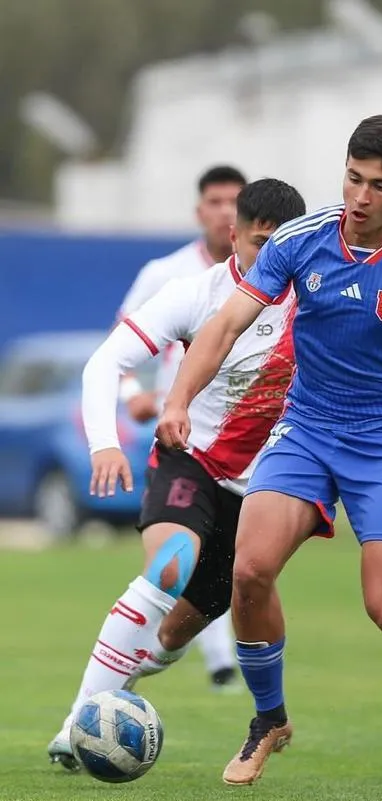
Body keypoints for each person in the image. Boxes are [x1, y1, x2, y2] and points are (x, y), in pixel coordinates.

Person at [156, 115, 382, 789]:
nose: (359, 196)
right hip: (308, 427)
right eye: (353, 177)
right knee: (250, 570)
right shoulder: (300, 239)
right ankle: (269, 720)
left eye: (380, 185)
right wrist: (178, 400)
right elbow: (226, 324)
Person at [47, 179, 306, 771]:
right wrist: (104, 444)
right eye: (256, 243)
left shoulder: (317, 304)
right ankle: (76, 722)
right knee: (169, 568)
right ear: (231, 235)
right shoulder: (195, 293)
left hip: (265, 490)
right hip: (189, 460)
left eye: (280, 247)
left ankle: (113, 702)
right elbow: (105, 363)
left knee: (173, 636)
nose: (268, 259)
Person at [116, 164, 249, 692]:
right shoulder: (165, 274)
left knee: (232, 574)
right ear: (200, 211)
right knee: (174, 564)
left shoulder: (276, 279)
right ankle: (216, 661)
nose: (225, 212)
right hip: (183, 442)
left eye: (235, 202)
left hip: (248, 454)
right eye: (215, 202)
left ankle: (255, 693)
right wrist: (135, 400)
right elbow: (120, 349)